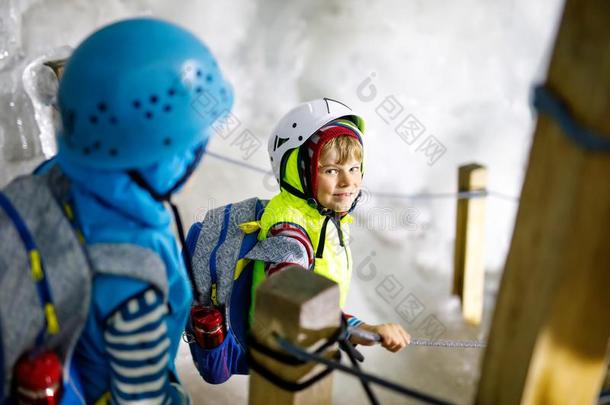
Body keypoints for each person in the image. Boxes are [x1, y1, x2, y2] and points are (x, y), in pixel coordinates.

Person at [23, 18, 231, 404]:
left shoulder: (49, 179)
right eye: (191, 146)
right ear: (162, 155)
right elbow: (141, 397)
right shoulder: (134, 276)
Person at [252, 98, 411, 353]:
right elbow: (293, 296)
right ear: (299, 172)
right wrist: (358, 329)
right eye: (331, 170)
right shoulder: (287, 228)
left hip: (309, 338)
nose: (348, 181)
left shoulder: (323, 215)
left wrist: (339, 331)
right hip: (281, 355)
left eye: (354, 168)